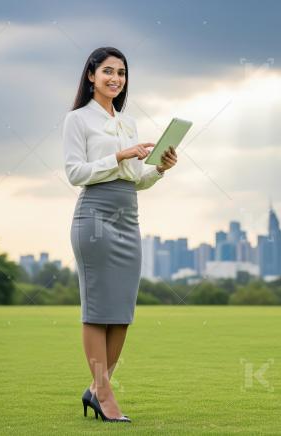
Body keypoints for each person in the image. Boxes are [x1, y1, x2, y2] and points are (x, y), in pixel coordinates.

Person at [62, 46, 178, 423]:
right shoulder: (77, 120)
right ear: (92, 75)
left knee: (122, 312)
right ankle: (106, 396)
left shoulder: (127, 123)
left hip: (128, 216)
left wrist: (159, 169)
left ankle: (95, 389)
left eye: (122, 73)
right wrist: (118, 156)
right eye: (108, 71)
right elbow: (75, 173)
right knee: (97, 311)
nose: (116, 79)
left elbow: (135, 180)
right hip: (94, 216)